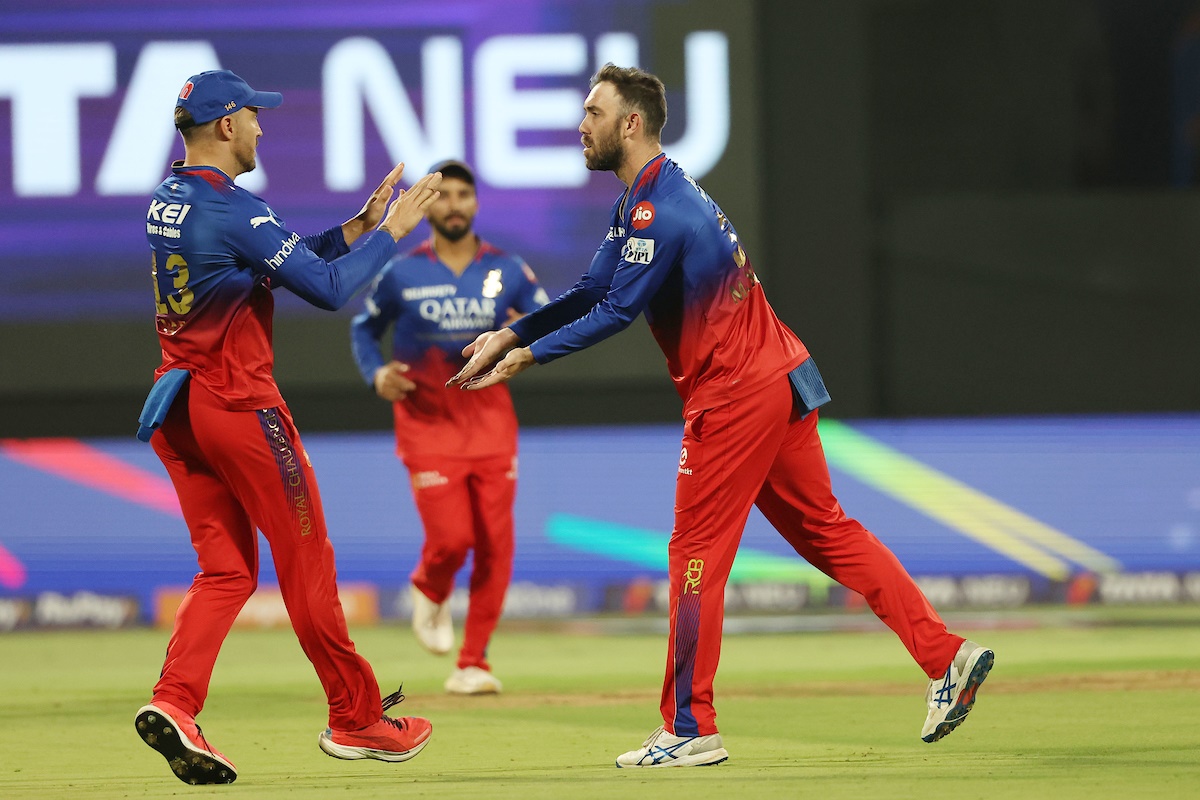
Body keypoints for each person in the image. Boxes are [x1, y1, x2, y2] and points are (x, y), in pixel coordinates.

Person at [447, 64, 995, 768]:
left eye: (593, 111)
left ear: (631, 124)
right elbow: (590, 287)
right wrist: (513, 333)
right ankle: (946, 657)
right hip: (778, 377)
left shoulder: (657, 210)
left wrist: (534, 356)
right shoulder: (645, 198)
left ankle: (688, 726)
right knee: (829, 532)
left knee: (693, 556)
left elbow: (617, 310)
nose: (580, 124)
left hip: (735, 395)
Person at [133, 68, 443, 785]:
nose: (264, 127)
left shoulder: (171, 200)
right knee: (306, 560)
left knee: (226, 571)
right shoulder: (233, 209)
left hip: (178, 409)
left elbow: (276, 265)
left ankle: (174, 703)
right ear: (225, 126)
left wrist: (357, 228)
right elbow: (328, 290)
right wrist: (393, 234)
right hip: (240, 407)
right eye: (254, 114)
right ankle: (357, 717)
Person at [350, 159, 548, 696]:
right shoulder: (401, 272)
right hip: (426, 425)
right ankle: (428, 585)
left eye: (463, 194)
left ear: (476, 203)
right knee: (452, 539)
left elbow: (548, 319)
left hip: (491, 426)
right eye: (443, 195)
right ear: (428, 205)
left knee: (494, 544)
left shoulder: (507, 268)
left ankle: (473, 661)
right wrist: (377, 374)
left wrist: (521, 339)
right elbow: (365, 329)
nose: (454, 204)